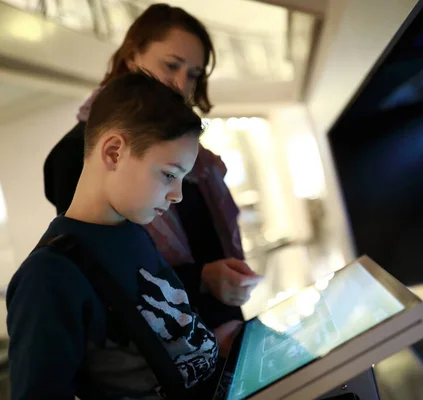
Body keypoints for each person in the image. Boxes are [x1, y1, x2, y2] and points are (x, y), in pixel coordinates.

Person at [8, 72, 242, 399]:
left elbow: (155, 348)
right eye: (169, 174)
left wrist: (213, 345)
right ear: (114, 153)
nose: (177, 194)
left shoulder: (133, 232)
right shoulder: (48, 276)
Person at [43, 4, 261, 330]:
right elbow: (105, 271)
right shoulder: (78, 150)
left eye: (194, 75)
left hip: (220, 333)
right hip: (168, 350)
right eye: (171, 65)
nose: (180, 84)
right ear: (132, 58)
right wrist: (201, 279)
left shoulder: (193, 154)